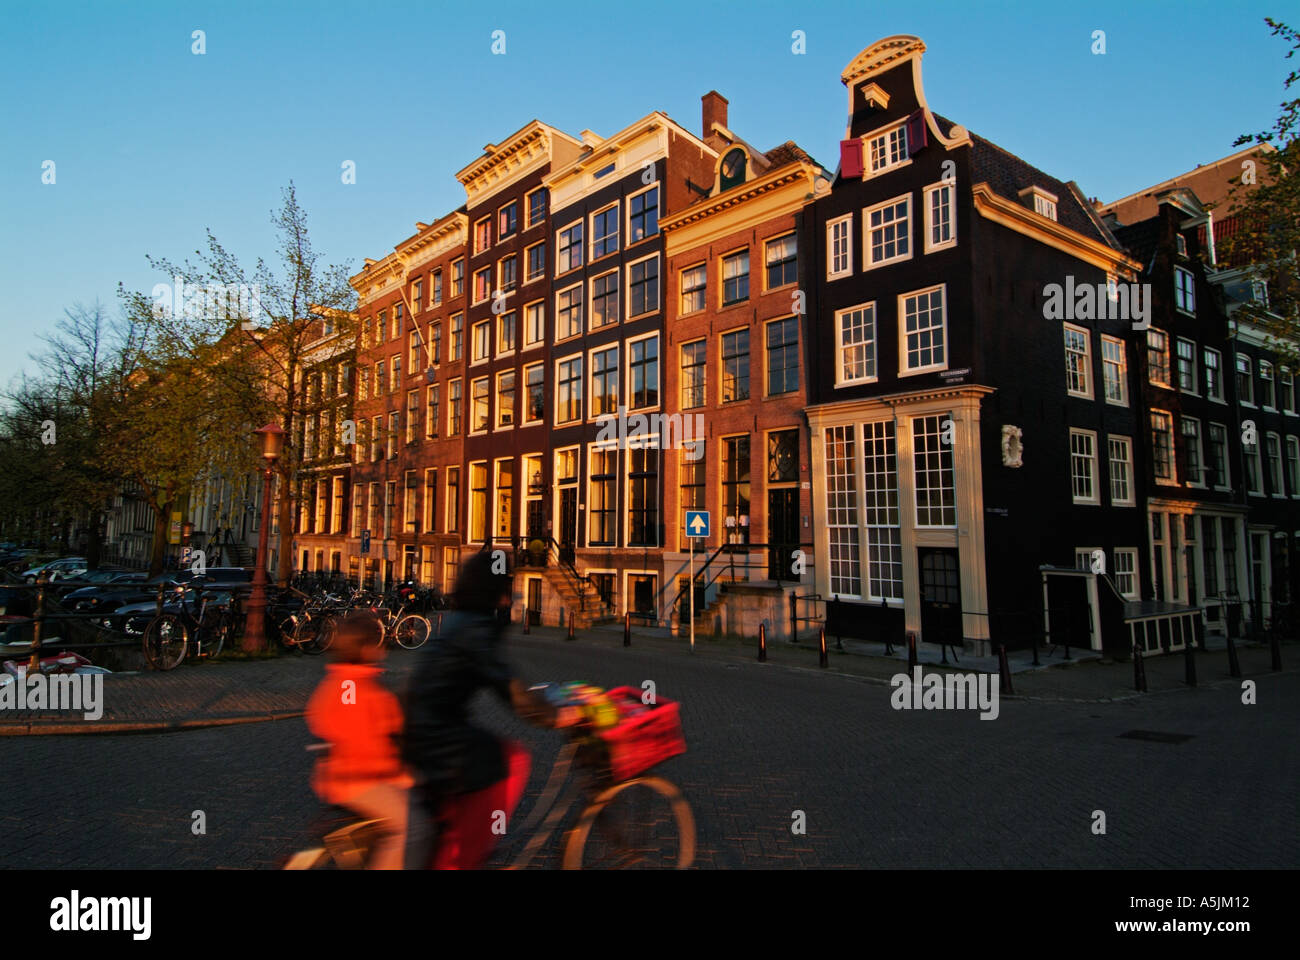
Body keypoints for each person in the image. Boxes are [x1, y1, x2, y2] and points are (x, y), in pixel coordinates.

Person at [402, 549, 556, 869]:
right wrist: (556, 714)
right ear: (496, 590)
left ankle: (451, 835)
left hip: (423, 726)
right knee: (509, 760)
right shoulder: (476, 629)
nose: (510, 596)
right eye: (506, 587)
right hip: (436, 735)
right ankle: (463, 858)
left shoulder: (460, 620)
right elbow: (511, 691)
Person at [305, 611, 413, 870]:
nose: (383, 651)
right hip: (359, 780)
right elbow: (368, 746)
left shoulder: (338, 681)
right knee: (410, 825)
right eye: (378, 644)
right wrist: (401, 775)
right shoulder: (363, 690)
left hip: (335, 777)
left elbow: (319, 718)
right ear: (365, 648)